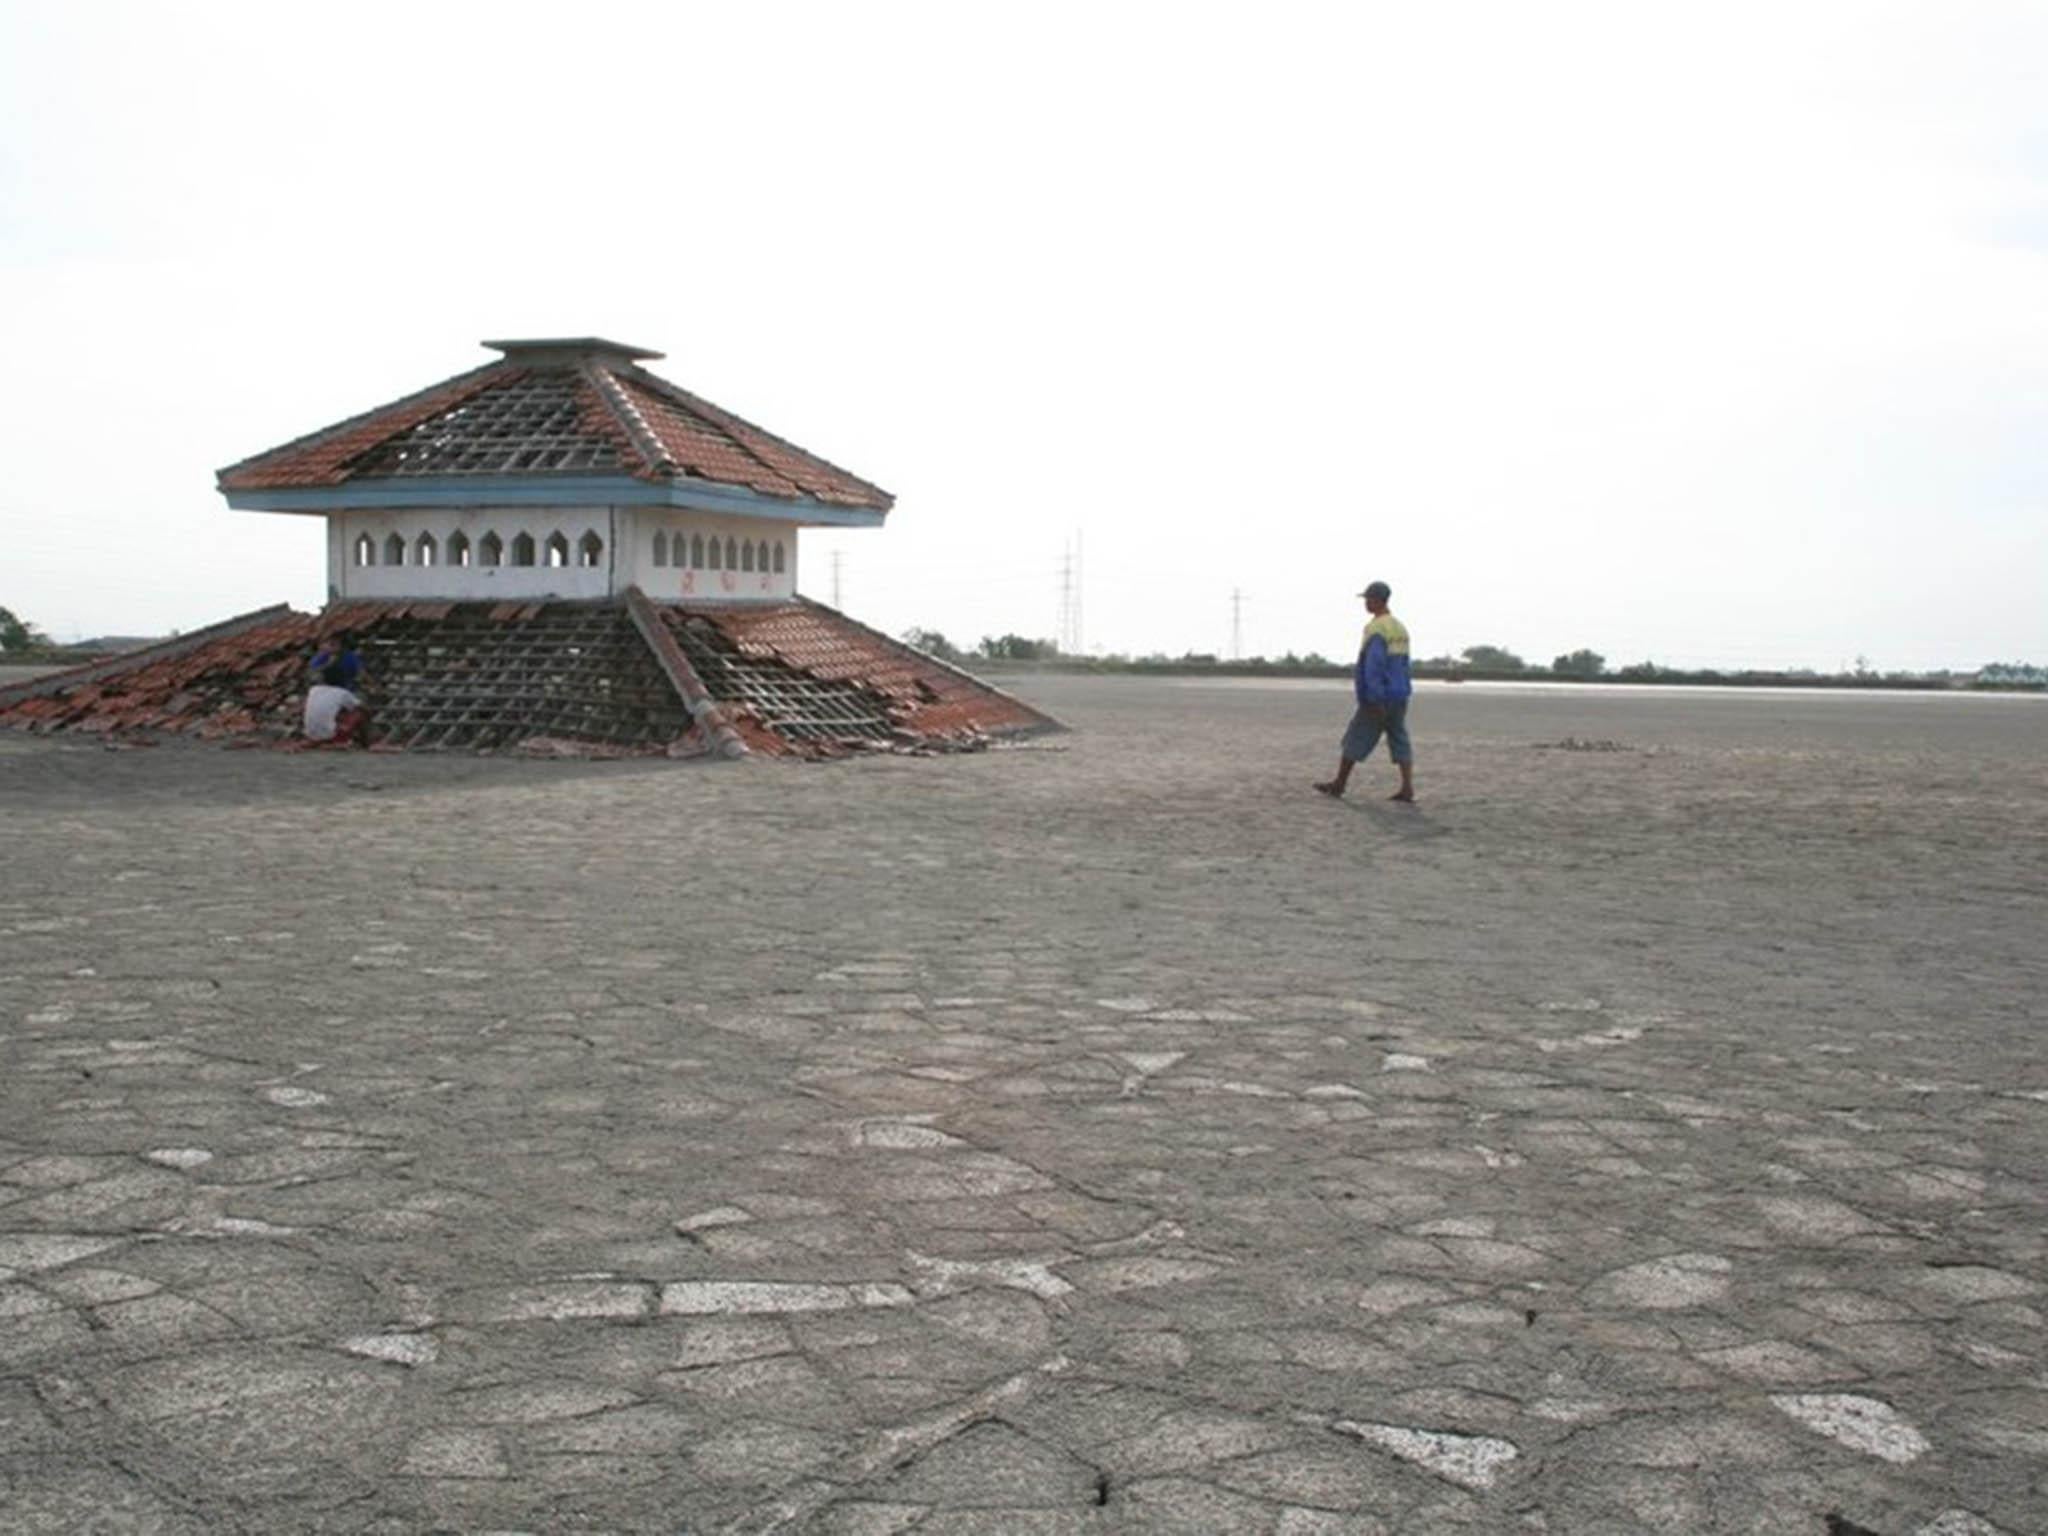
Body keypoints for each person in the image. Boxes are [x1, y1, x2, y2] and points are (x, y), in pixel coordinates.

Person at [1316, 579, 1415, 802]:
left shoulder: (1376, 628)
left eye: (1368, 599)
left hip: (1380, 696)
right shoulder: (1400, 627)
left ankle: (1339, 784)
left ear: (1377, 600)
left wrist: (1373, 697)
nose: (1366, 603)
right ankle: (1407, 788)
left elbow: (1373, 666)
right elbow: (1405, 664)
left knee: (1355, 737)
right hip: (1400, 694)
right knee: (1399, 738)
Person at [303, 663, 370, 747]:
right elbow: (362, 707)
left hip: (310, 736)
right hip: (330, 735)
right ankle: (366, 744)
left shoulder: (314, 689)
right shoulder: (342, 693)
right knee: (360, 713)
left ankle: (322, 739)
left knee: (335, 711)